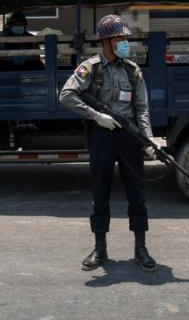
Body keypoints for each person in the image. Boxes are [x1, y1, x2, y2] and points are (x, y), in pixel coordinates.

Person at [59, 14, 158, 272]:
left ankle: (141, 248)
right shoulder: (91, 68)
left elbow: (142, 108)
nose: (125, 42)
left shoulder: (132, 70)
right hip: (102, 136)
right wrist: (96, 116)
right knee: (100, 194)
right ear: (106, 41)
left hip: (129, 136)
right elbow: (66, 95)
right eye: (119, 38)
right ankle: (100, 249)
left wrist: (148, 139)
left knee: (136, 193)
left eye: (126, 38)